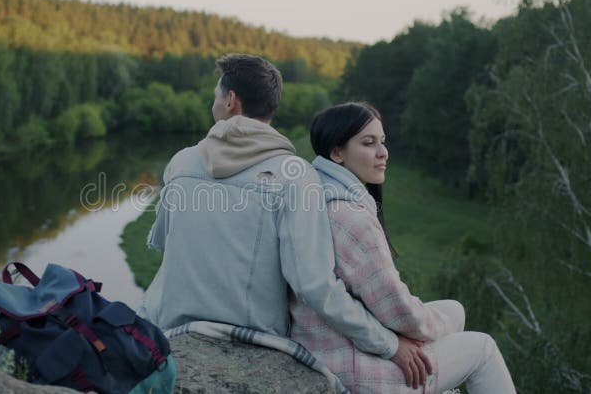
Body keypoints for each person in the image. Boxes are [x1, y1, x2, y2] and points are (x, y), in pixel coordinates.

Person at [140, 54, 430, 383]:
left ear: (230, 101)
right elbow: (315, 287)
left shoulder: (180, 163)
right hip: (256, 338)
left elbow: (163, 241)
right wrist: (387, 344)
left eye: (215, 97)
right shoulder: (295, 176)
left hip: (173, 328)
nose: (214, 104)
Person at [290, 102, 516, 393]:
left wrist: (431, 327)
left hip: (327, 346)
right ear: (337, 153)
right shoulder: (349, 217)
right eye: (368, 143)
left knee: (453, 309)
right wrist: (432, 330)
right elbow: (396, 309)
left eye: (382, 142)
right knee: (482, 348)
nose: (383, 153)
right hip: (356, 369)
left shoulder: (316, 197)